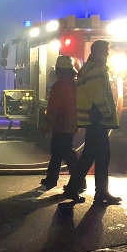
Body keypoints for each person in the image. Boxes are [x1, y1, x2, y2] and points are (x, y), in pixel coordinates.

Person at [64, 40, 122, 204]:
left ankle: (74, 189)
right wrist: (107, 113)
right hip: (98, 119)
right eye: (105, 51)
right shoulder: (95, 70)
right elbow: (97, 94)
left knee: (89, 156)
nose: (107, 54)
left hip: (94, 119)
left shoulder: (89, 68)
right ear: (98, 52)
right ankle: (100, 193)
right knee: (102, 157)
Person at [40, 55, 78, 190]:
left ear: (59, 69)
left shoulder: (60, 85)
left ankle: (78, 181)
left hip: (61, 124)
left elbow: (54, 107)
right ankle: (52, 179)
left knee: (65, 152)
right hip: (71, 123)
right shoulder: (74, 84)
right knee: (59, 151)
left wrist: (48, 123)